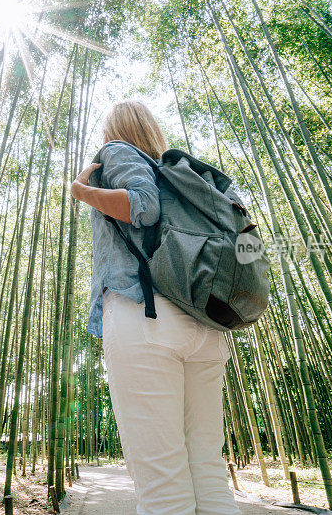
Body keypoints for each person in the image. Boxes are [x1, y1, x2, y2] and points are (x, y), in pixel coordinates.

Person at [70, 100, 240, 515]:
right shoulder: (185, 175)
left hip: (144, 315)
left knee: (162, 482)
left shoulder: (116, 151)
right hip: (205, 323)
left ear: (114, 128)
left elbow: (143, 208)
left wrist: (81, 192)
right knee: (207, 470)